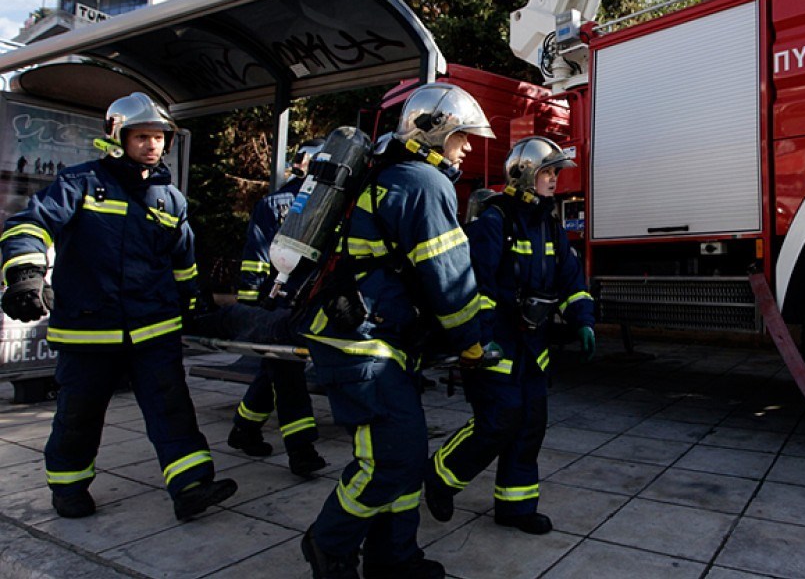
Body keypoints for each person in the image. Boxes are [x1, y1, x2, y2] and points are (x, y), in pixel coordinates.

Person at [0, 92, 237, 521]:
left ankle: (191, 486)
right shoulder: (80, 182)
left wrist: (195, 303)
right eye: (142, 136)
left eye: (159, 137)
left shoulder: (171, 200)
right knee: (79, 416)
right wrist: (25, 273)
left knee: (172, 410)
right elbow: (30, 223)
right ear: (117, 137)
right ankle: (68, 487)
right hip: (89, 329)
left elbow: (183, 262)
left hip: (154, 329)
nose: (153, 145)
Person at [299, 83, 494, 579]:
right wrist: (471, 342)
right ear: (435, 132)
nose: (467, 149)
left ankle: (394, 559)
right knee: (390, 460)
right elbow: (449, 277)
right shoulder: (424, 183)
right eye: (462, 137)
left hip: (375, 335)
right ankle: (328, 544)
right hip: (362, 341)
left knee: (404, 456)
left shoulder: (392, 174)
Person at [424, 136, 596, 535]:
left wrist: (583, 319)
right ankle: (441, 475)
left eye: (555, 173)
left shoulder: (550, 226)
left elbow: (571, 281)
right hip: (496, 345)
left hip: (533, 348)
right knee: (497, 422)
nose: (554, 180)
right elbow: (476, 288)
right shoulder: (494, 222)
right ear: (525, 174)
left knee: (530, 424)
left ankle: (515, 507)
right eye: (548, 172)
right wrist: (479, 340)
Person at [226, 138, 328, 477]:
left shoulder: (278, 203)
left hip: (284, 304)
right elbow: (257, 257)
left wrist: (251, 305)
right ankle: (301, 450)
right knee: (287, 374)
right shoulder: (315, 204)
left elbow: (255, 257)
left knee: (275, 369)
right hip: (289, 305)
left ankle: (244, 429)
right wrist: (253, 308)